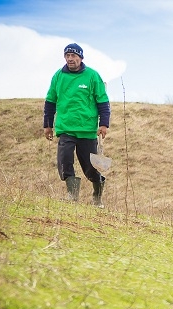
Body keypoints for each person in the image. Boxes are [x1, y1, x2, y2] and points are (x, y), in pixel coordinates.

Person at [43, 43, 110, 207]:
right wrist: (48, 125)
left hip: (87, 130)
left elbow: (103, 101)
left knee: (91, 168)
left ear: (80, 58)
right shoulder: (58, 76)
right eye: (67, 55)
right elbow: (50, 102)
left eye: (74, 56)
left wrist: (104, 124)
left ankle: (97, 197)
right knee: (65, 160)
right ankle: (72, 195)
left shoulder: (93, 76)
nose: (70, 59)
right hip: (66, 128)